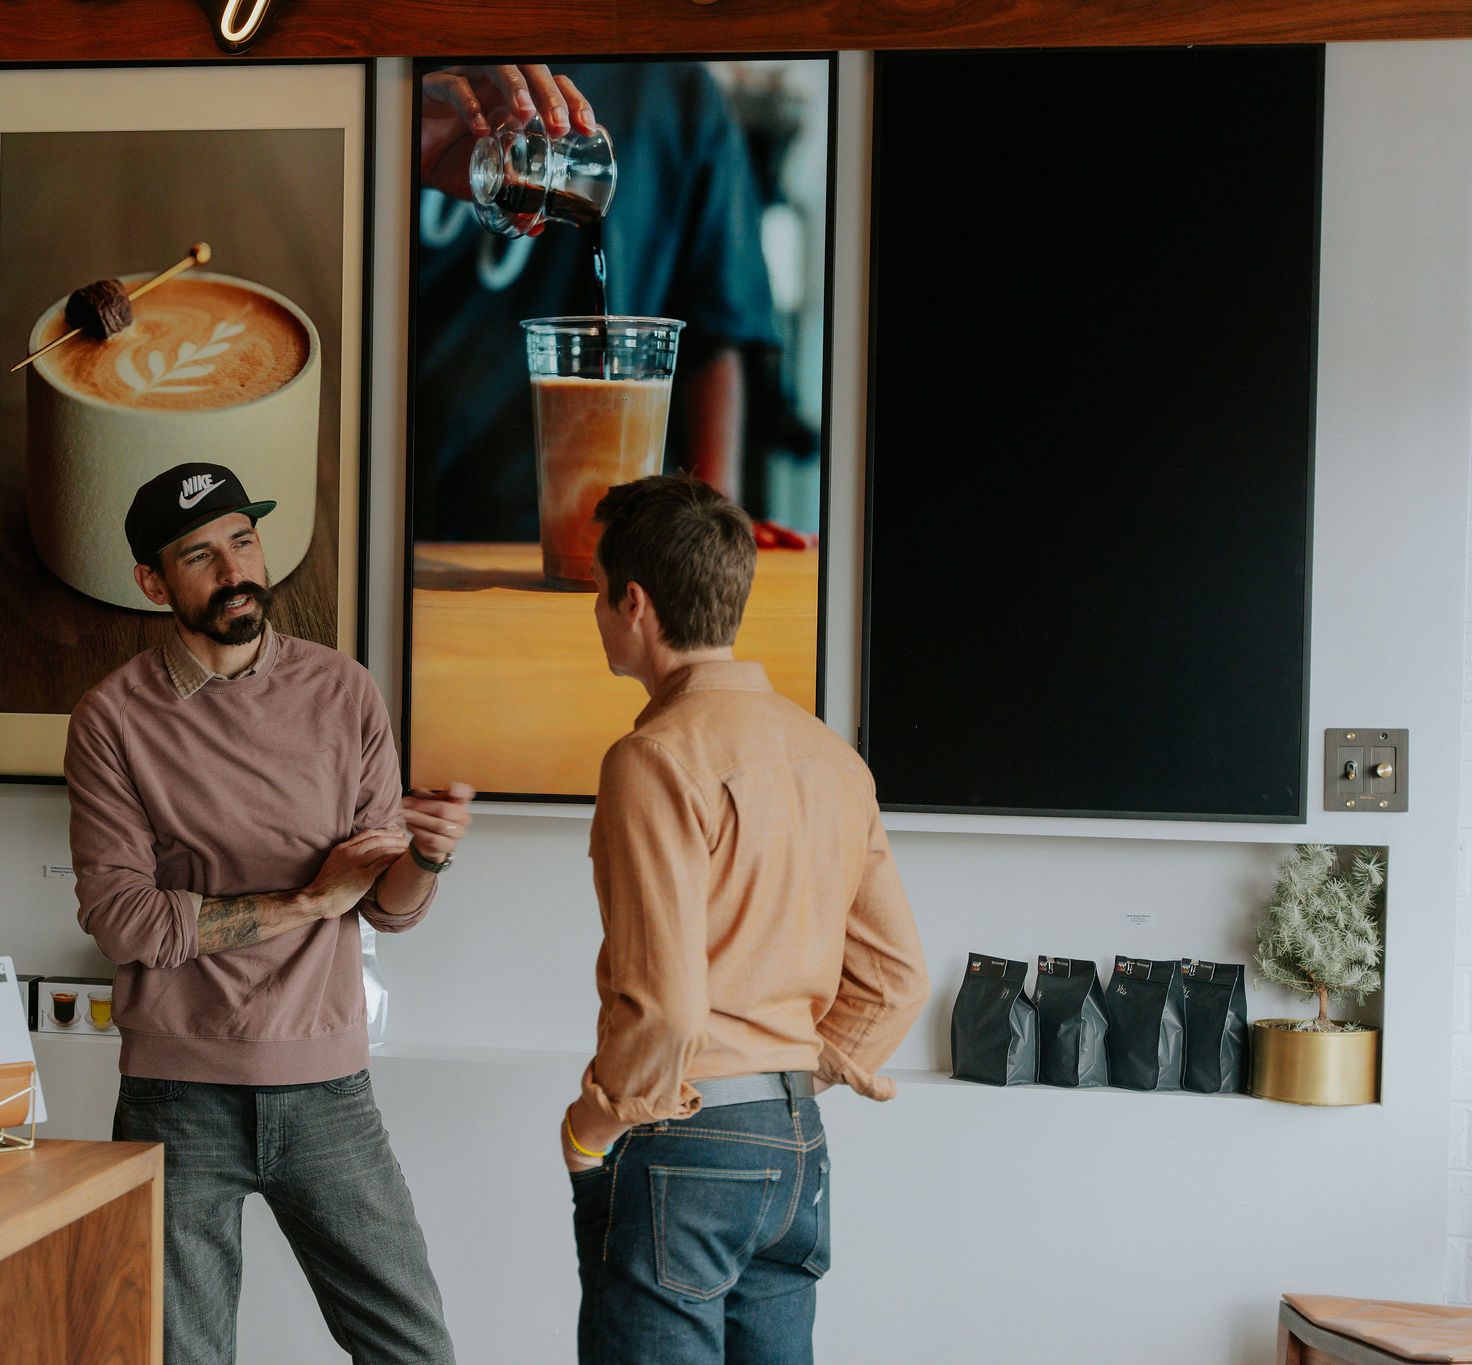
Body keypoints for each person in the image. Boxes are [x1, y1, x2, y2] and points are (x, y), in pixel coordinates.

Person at [65, 461, 474, 1365]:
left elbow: (390, 909)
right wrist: (306, 900)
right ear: (153, 580)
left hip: (328, 1089)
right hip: (178, 1096)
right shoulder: (111, 719)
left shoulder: (344, 692)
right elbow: (124, 918)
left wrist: (426, 856)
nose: (234, 570)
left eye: (243, 540)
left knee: (415, 1351)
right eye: (200, 555)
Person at [559, 475, 929, 1365]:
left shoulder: (652, 756)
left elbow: (669, 1008)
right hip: (796, 1139)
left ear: (634, 603)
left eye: (597, 591)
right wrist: (801, 1067)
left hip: (681, 1140)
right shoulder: (832, 758)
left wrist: (592, 1127)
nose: (596, 612)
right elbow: (898, 977)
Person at [413, 62, 778, 539]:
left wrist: (714, 528)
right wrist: (397, 140)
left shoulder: (674, 88)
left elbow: (714, 335)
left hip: (612, 529)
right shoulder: (428, 81)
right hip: (407, 502)